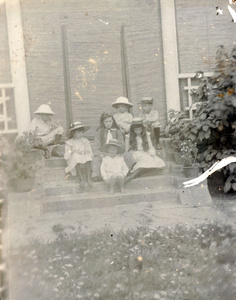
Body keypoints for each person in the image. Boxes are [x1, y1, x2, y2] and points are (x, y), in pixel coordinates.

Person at [125, 118, 166, 182]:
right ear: (132, 130)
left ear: (142, 129)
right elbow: (126, 149)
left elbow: (150, 147)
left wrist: (151, 154)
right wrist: (130, 158)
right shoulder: (128, 136)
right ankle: (131, 177)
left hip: (145, 153)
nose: (138, 131)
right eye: (136, 130)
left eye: (139, 130)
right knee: (146, 160)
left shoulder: (146, 135)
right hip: (135, 154)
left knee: (156, 161)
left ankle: (133, 175)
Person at [92, 112, 125, 180]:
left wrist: (116, 152)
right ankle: (98, 176)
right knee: (96, 159)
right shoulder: (99, 132)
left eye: (110, 121)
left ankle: (121, 174)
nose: (108, 123)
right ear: (103, 122)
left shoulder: (118, 131)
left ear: (113, 121)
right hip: (104, 152)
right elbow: (96, 146)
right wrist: (100, 153)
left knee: (124, 156)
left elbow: (121, 144)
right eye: (106, 122)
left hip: (116, 151)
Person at [64, 121, 93, 190]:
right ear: (73, 133)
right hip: (74, 159)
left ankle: (89, 178)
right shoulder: (69, 142)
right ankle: (81, 179)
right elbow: (67, 154)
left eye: (81, 132)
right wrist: (74, 151)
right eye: (78, 132)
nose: (80, 134)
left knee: (88, 156)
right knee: (76, 156)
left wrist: (87, 151)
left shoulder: (85, 141)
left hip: (84, 157)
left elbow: (89, 150)